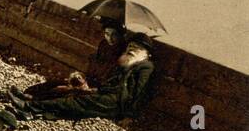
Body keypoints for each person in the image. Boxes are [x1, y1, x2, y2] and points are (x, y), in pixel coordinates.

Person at [10, 38, 156, 122]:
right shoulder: (128, 64)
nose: (131, 48)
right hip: (108, 95)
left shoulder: (146, 67)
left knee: (77, 101)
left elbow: (139, 91)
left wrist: (129, 115)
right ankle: (32, 105)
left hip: (116, 102)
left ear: (146, 53)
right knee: (71, 93)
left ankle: (29, 107)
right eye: (130, 46)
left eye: (136, 47)